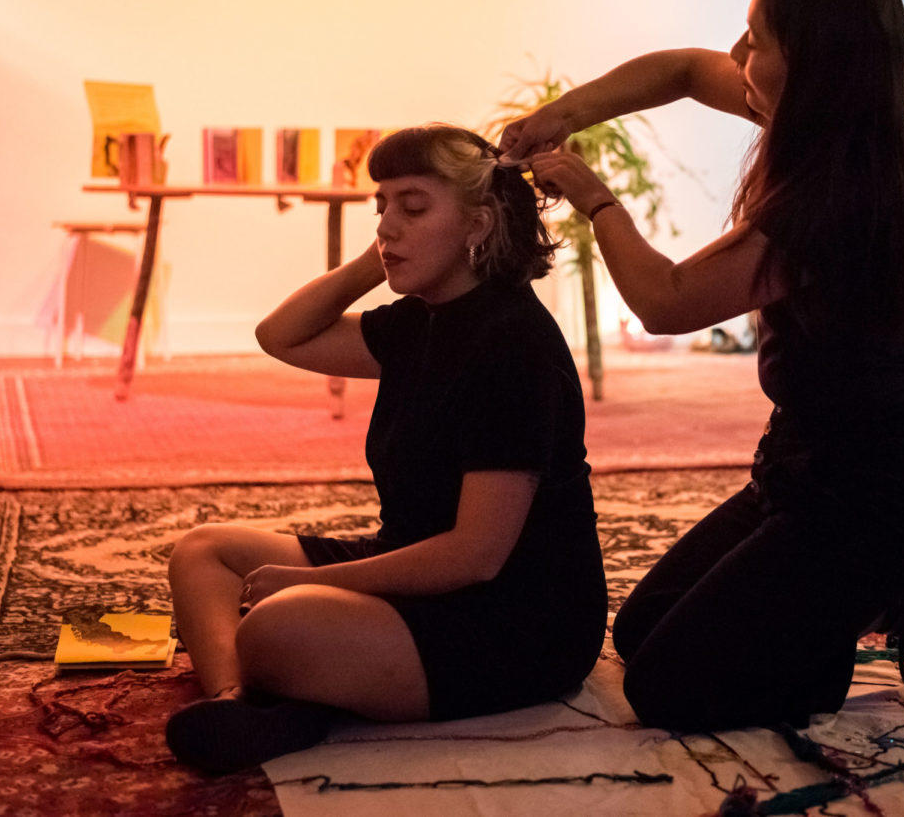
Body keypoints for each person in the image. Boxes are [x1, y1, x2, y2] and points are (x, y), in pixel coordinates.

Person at [502, 0, 904, 732]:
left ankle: (901, 590)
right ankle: (841, 608)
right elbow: (684, 70)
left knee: (669, 690)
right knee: (642, 628)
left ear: (809, 59)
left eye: (754, 40)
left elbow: (666, 302)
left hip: (870, 505)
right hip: (797, 471)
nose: (735, 52)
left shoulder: (838, 196)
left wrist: (595, 199)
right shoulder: (820, 122)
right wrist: (561, 116)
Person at [165, 125, 607, 774]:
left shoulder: (512, 344)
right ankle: (243, 703)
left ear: (478, 224)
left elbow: (476, 555)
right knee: (203, 553)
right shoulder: (422, 318)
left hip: (514, 620)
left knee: (276, 623)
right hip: (412, 564)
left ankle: (283, 680)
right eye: (381, 207)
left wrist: (313, 582)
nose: (387, 225)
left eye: (413, 207)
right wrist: (384, 255)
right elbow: (281, 336)